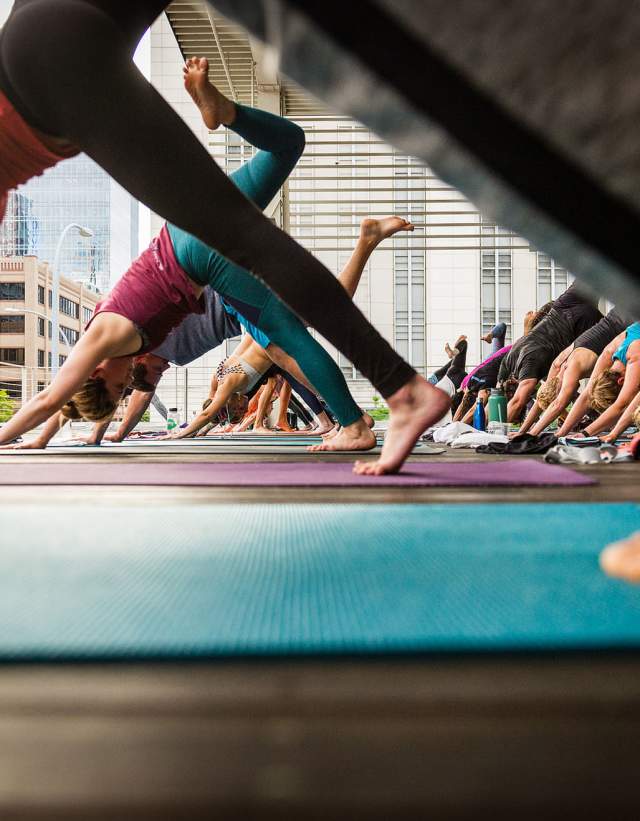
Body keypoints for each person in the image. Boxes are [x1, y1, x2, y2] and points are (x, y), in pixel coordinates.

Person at [0, 4, 444, 473]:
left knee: (286, 329)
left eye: (116, 387)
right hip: (50, 47)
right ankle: (227, 112)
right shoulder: (111, 348)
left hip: (189, 247)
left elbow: (52, 394)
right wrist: (41, 439)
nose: (127, 384)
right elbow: (60, 401)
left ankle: (381, 404)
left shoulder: (105, 339)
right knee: (287, 145)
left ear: (94, 373)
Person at [519, 308, 630, 435]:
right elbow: (542, 401)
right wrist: (524, 432)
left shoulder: (573, 368)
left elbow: (560, 403)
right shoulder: (557, 364)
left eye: (565, 396)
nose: (569, 396)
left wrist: (555, 434)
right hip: (614, 318)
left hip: (623, 320)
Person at [498, 285, 601, 422]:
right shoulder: (508, 361)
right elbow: (548, 397)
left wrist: (499, 434)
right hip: (563, 306)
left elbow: (518, 403)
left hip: (578, 325)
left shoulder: (529, 373)